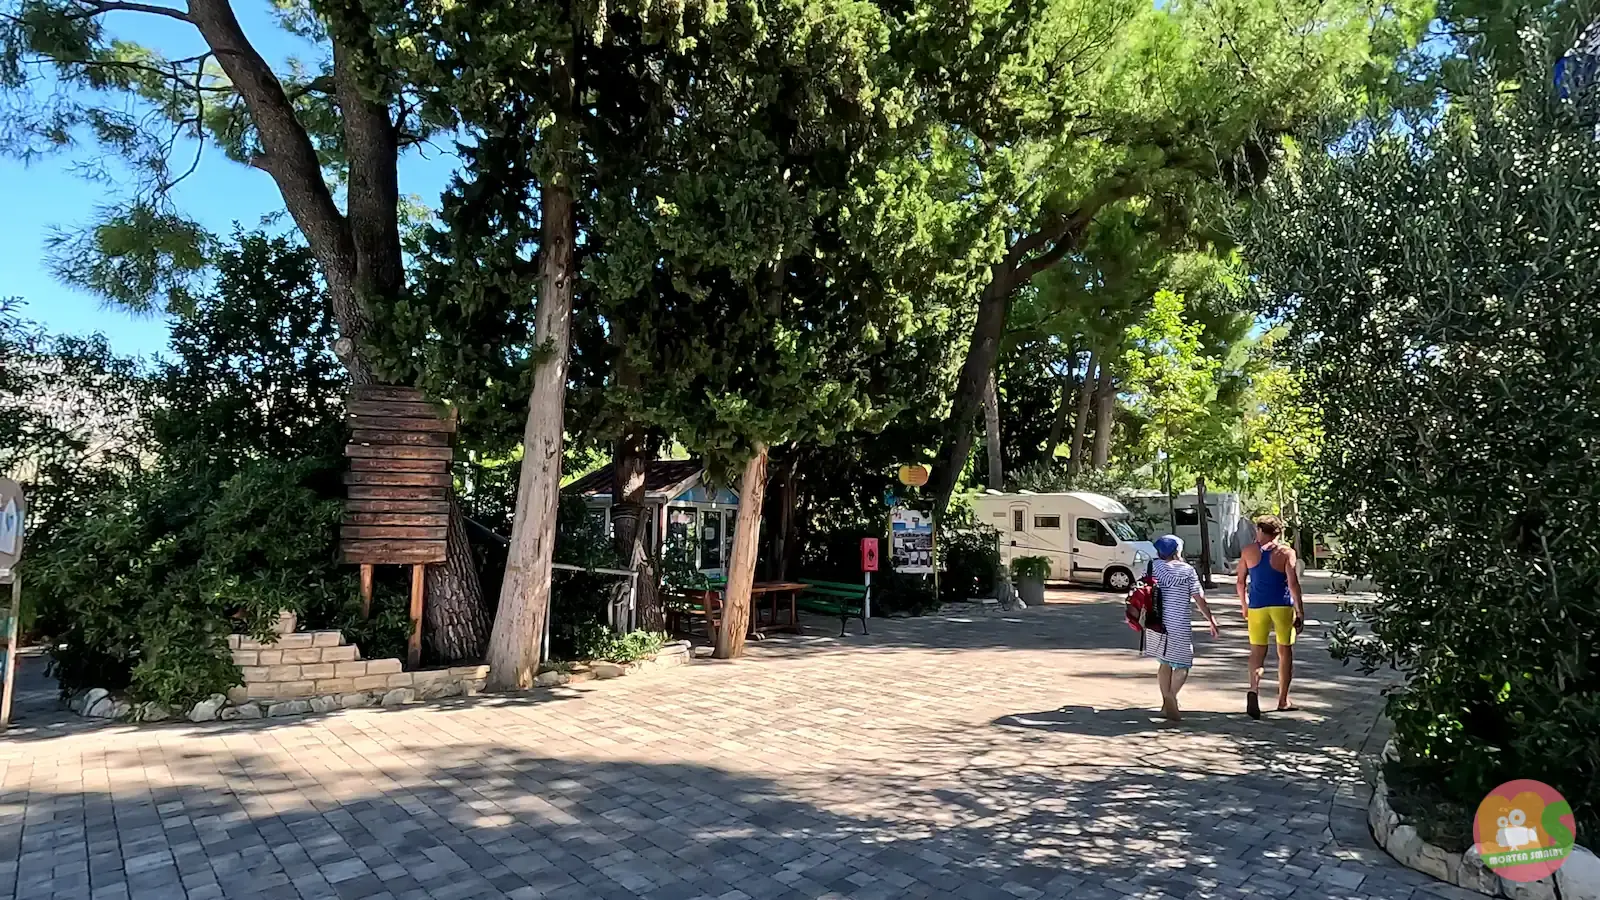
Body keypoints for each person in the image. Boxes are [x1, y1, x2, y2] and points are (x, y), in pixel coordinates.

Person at [1236, 515, 1306, 719]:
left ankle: (1253, 688)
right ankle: (1283, 700)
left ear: (1260, 531)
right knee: (1285, 652)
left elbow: (1240, 582)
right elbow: (1293, 583)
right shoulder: (1286, 553)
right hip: (1282, 606)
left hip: (1257, 607)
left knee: (1257, 653)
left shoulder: (1248, 551)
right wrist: (1300, 611)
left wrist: (1244, 605)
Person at [1144, 534, 1220, 721]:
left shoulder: (1152, 566)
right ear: (1177, 550)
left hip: (1156, 622)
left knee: (1164, 662)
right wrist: (1211, 619)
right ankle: (1171, 696)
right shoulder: (1187, 570)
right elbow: (1199, 598)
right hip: (1179, 623)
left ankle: (1165, 702)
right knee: (1183, 664)